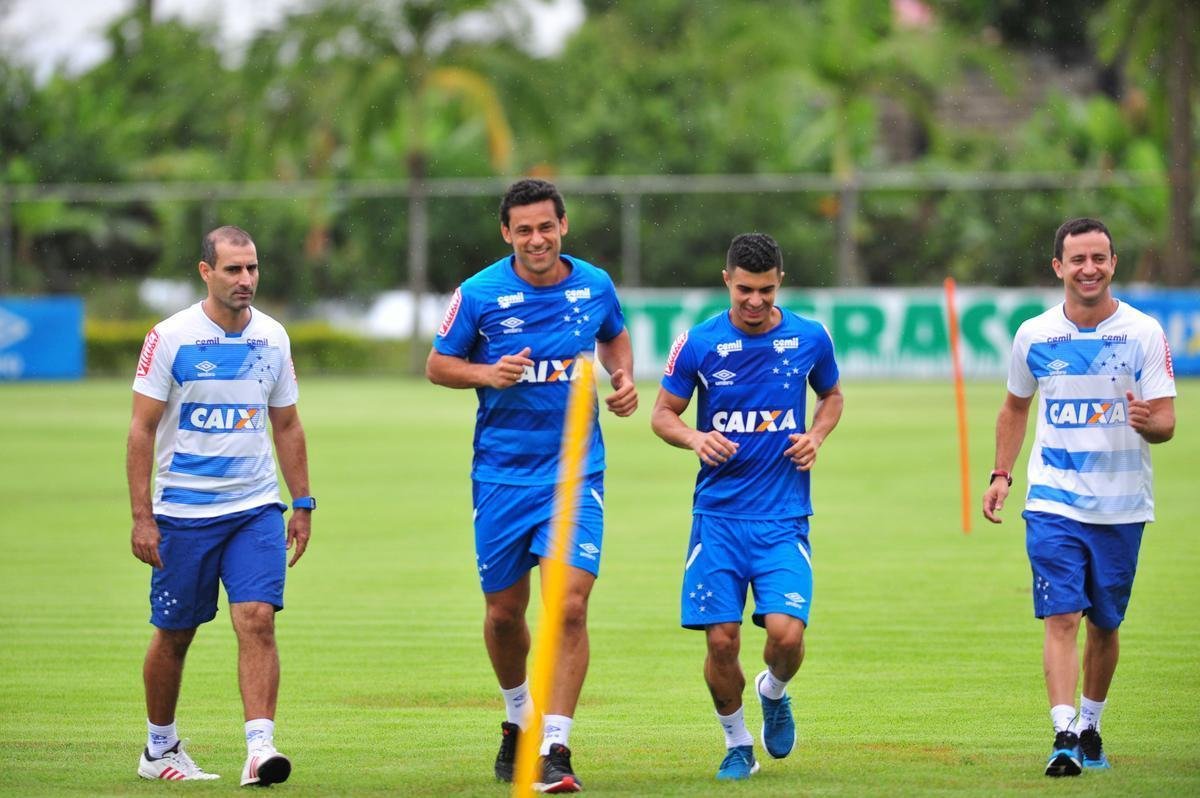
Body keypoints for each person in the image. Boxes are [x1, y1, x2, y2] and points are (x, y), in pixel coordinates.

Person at [426, 178, 637, 793]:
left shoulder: (594, 284)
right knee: (503, 615)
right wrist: (488, 373)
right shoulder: (479, 293)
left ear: (563, 226)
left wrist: (622, 377)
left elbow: (614, 333)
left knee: (568, 606)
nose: (537, 239)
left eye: (546, 226)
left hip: (576, 472)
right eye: (524, 230)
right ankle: (519, 715)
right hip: (500, 475)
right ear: (506, 234)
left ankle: (555, 745)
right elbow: (438, 364)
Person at [982, 217, 1176, 777]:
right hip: (1052, 499)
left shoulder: (1142, 334)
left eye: (1099, 258)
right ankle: (1064, 733)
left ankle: (1091, 722)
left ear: (1112, 264)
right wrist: (1001, 474)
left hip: (1122, 504)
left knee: (1106, 625)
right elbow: (1015, 406)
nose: (1088, 268)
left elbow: (1167, 421)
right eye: (1077, 259)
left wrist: (1149, 423)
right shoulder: (1034, 335)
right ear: (1058, 267)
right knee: (1061, 616)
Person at [650, 233, 843, 781]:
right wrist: (694, 438)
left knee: (786, 635)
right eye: (743, 291)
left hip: (783, 518)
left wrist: (817, 436)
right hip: (718, 519)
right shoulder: (698, 342)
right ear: (726, 281)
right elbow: (663, 413)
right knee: (721, 640)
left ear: (780, 281)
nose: (754, 302)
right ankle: (737, 744)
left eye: (765, 290)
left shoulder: (810, 337)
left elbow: (831, 396)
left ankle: (774, 691)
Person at [128, 225, 314, 786]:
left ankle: (260, 749)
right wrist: (142, 517)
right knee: (176, 632)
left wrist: (301, 501)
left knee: (256, 619)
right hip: (183, 512)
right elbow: (141, 429)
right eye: (233, 269)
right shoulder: (171, 337)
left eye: (252, 268)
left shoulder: (273, 337)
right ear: (205, 271)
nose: (246, 280)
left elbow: (287, 423)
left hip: (256, 508)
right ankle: (159, 747)